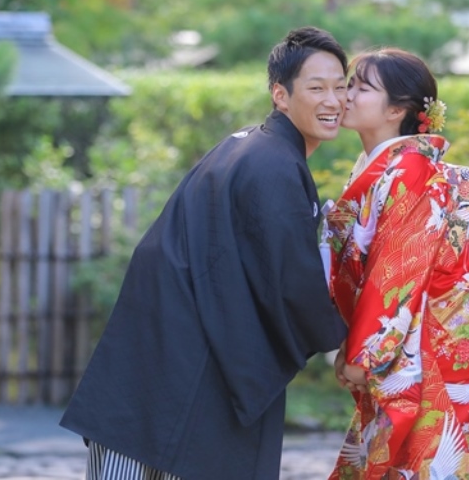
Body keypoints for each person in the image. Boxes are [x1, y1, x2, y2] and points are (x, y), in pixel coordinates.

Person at [60, 27, 350, 480]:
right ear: (280, 94)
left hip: (159, 345)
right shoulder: (273, 164)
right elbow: (289, 280)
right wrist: (343, 340)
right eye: (317, 88)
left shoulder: (249, 146)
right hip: (191, 359)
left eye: (341, 86)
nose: (333, 100)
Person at [326, 48, 469, 479]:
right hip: (438, 349)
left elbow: (397, 268)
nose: (345, 95)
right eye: (349, 84)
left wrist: (365, 352)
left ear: (398, 109)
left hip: (431, 359)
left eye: (361, 87)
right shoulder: (395, 166)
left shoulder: (408, 168)